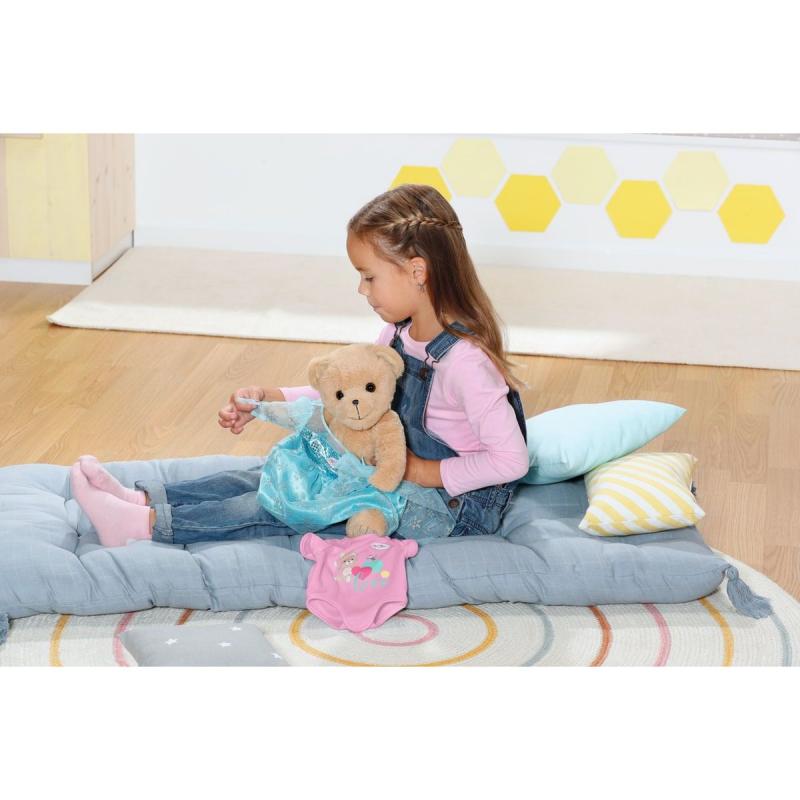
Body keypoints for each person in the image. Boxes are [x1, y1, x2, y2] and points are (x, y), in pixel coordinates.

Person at [69, 183, 531, 548]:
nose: (362, 290)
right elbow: (350, 397)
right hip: (389, 471)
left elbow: (511, 460)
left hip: (446, 508)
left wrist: (422, 472)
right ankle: (139, 498)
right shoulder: (397, 333)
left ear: (417, 271)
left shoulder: (465, 363)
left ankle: (143, 526)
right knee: (273, 475)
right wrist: (271, 397)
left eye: (369, 277)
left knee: (283, 505)